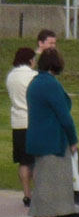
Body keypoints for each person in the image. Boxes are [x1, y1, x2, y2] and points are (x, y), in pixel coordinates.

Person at [25, 48, 78, 217]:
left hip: (37, 141)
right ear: (57, 64)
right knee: (51, 190)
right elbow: (64, 117)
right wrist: (73, 140)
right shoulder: (50, 85)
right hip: (53, 142)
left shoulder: (35, 83)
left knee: (40, 190)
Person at [5, 47, 37, 207]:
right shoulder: (33, 76)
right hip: (32, 121)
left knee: (24, 162)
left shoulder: (11, 76)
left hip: (17, 122)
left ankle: (27, 194)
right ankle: (39, 194)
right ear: (30, 60)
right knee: (37, 160)